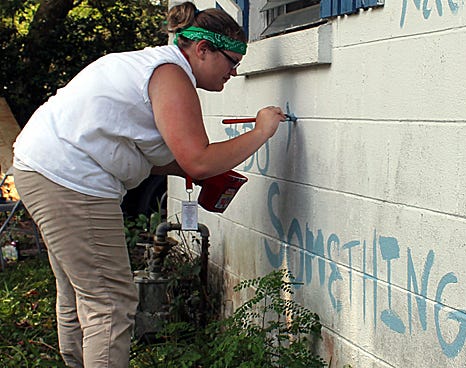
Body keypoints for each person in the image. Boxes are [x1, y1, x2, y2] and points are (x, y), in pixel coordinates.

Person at [12, 2, 285, 367]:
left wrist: (192, 171)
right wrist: (262, 131)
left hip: (41, 168)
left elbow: (153, 152)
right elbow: (198, 159)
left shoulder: (149, 65)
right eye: (231, 61)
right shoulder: (172, 76)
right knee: (110, 302)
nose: (234, 73)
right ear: (202, 50)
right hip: (72, 180)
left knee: (82, 292)